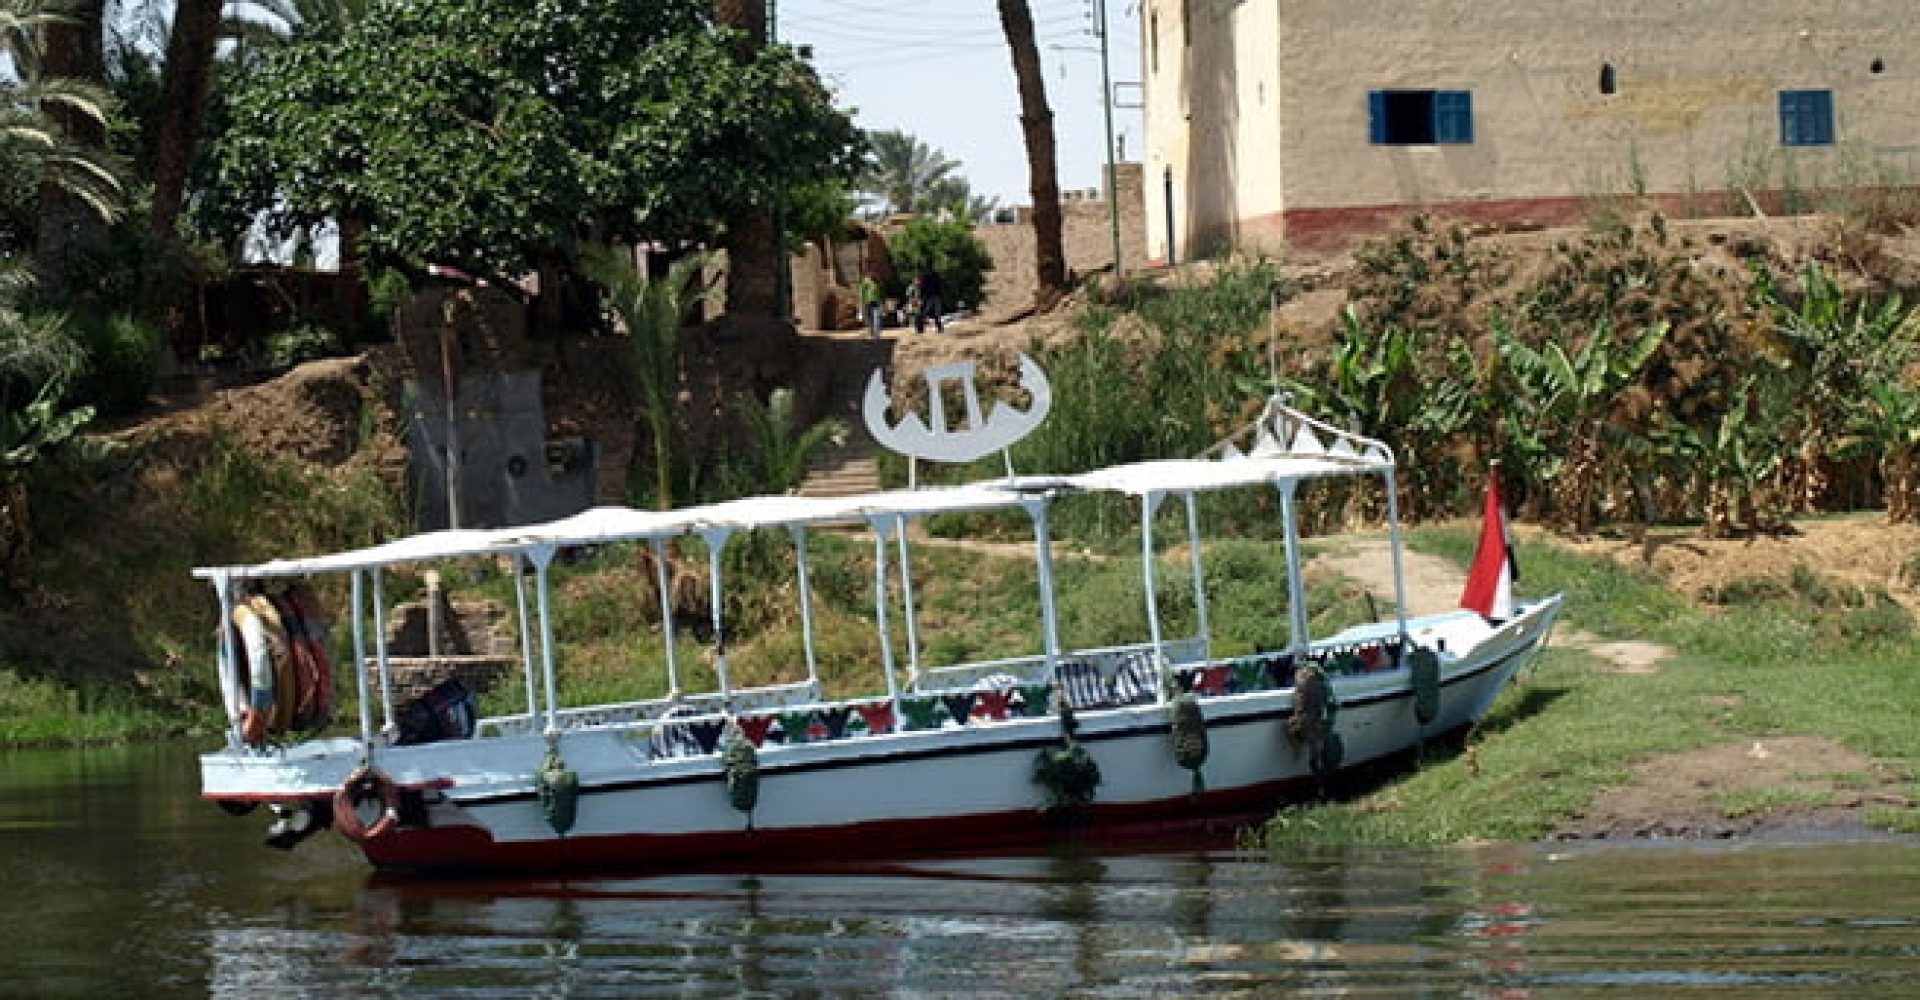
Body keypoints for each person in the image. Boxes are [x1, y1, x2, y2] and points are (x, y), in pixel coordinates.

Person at [914, 265, 944, 334]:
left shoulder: (924, 277)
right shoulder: (935, 275)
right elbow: (939, 285)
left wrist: (921, 297)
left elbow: (922, 287)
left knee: (923, 312)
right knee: (936, 312)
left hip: (929, 296)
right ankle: (938, 327)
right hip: (934, 295)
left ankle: (920, 328)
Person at [859, 271, 884, 338]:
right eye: (872, 273)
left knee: (877, 316)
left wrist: (882, 301)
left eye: (875, 273)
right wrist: (862, 301)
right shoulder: (865, 281)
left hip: (877, 301)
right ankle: (872, 332)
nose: (874, 274)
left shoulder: (878, 281)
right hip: (868, 301)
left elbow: (881, 291)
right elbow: (862, 291)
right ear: (869, 274)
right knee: (870, 318)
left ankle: (876, 333)